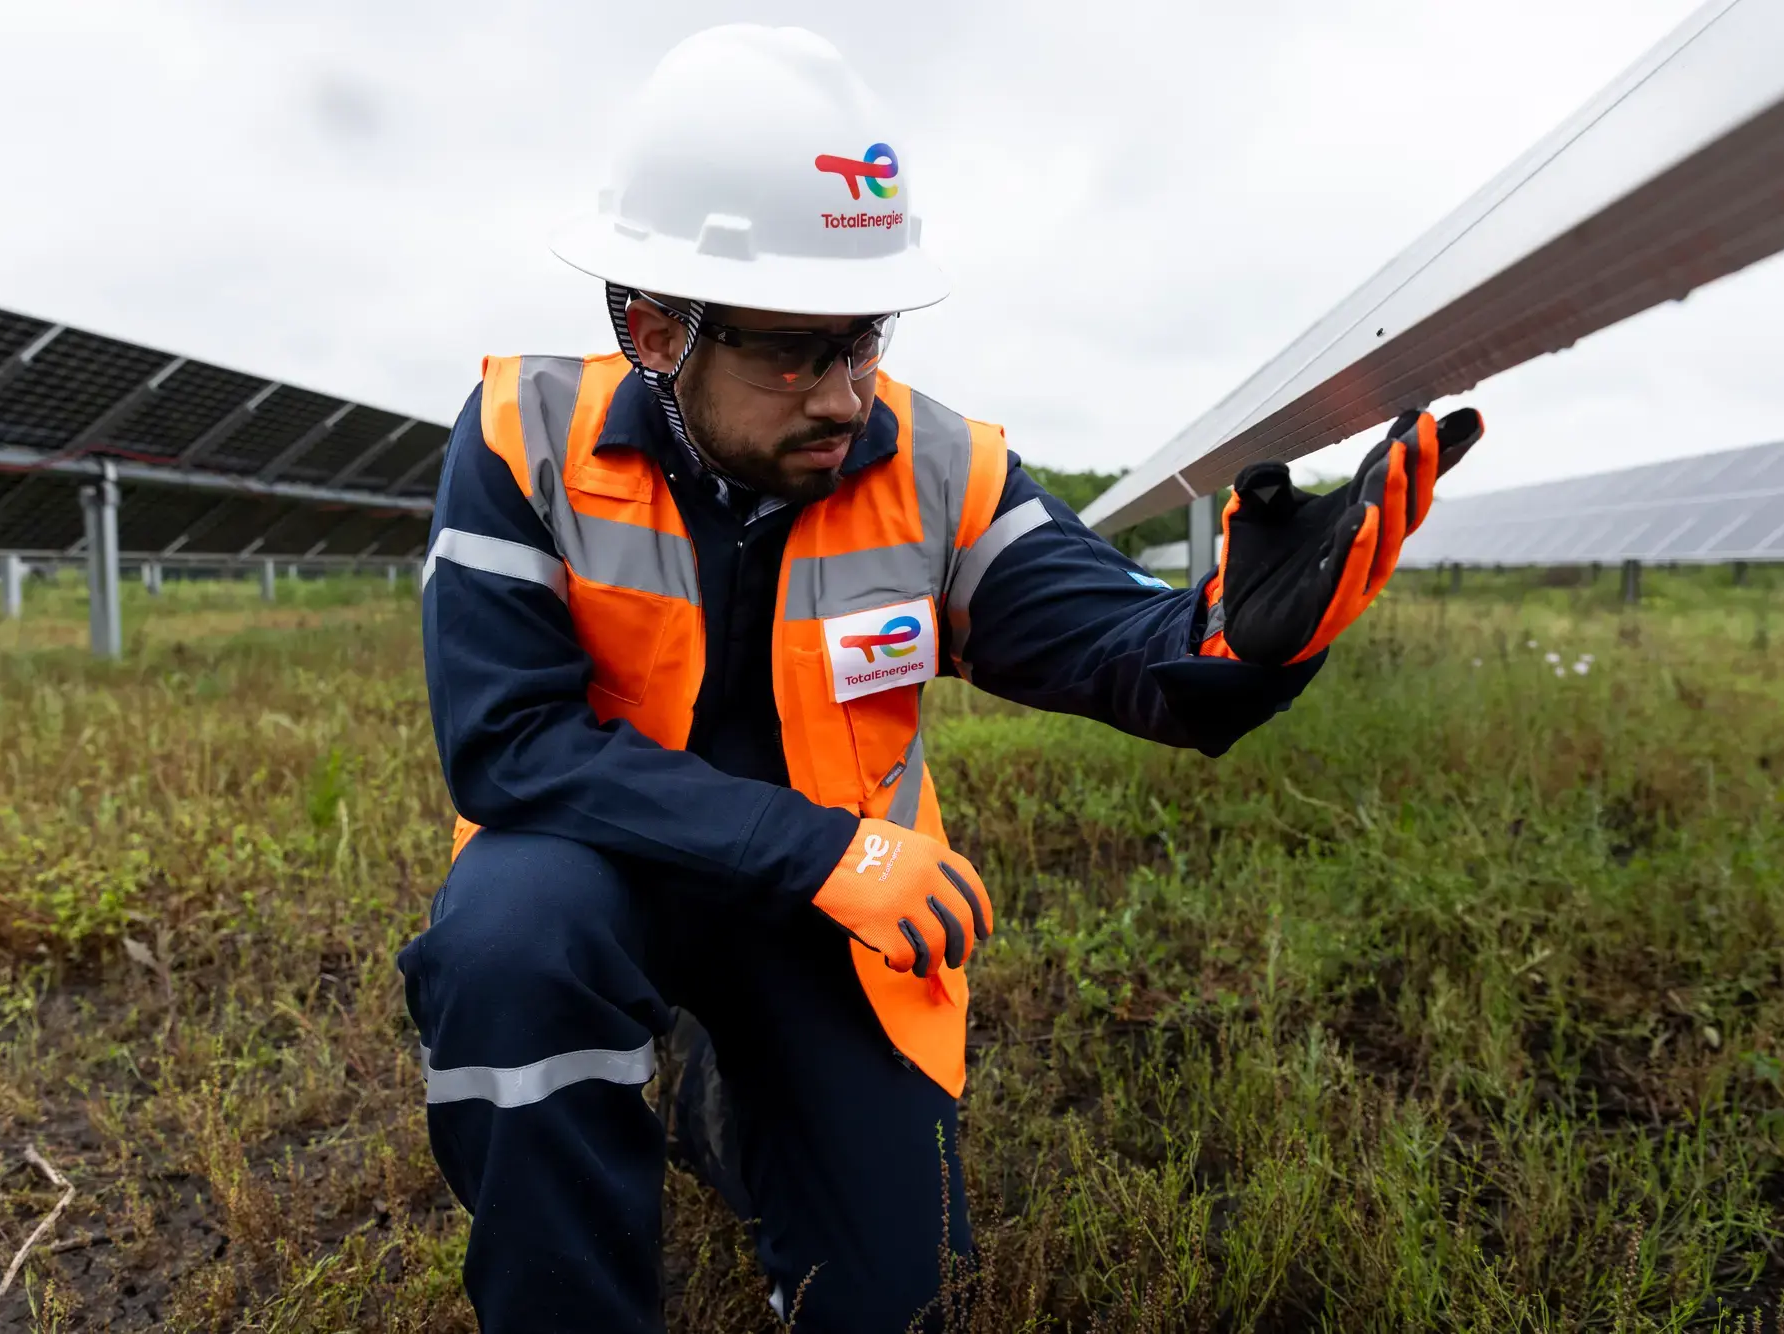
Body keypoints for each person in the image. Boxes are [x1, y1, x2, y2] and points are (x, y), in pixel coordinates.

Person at [397, 23, 1481, 1333]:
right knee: (511, 942)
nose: (852, 391)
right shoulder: (522, 441)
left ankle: (721, 1099)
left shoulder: (937, 467)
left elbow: (1119, 652)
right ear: (657, 327)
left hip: (824, 926)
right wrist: (823, 850)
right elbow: (510, 748)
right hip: (600, 877)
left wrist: (1237, 644)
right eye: (802, 349)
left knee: (898, 1299)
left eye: (868, 338)